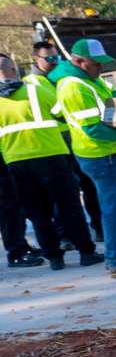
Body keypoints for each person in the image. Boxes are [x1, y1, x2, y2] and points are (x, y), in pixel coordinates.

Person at [50, 38, 116, 278]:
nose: (100, 68)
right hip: (100, 154)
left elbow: (61, 114)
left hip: (104, 153)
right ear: (78, 61)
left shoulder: (88, 81)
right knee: (114, 209)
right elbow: (92, 128)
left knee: (115, 207)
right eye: (96, 64)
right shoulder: (74, 86)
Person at [0, 52, 102, 271]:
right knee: (69, 206)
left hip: (16, 162)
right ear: (13, 69)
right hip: (51, 155)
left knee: (38, 212)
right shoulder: (35, 90)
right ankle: (86, 251)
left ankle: (54, 258)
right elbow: (59, 112)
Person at [31, 39, 102, 241]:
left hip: (75, 139)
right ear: (36, 59)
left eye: (57, 57)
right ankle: (67, 235)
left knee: (88, 186)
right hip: (53, 143)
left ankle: (98, 227)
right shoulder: (34, 83)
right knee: (62, 194)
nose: (54, 62)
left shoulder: (62, 76)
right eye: (50, 58)